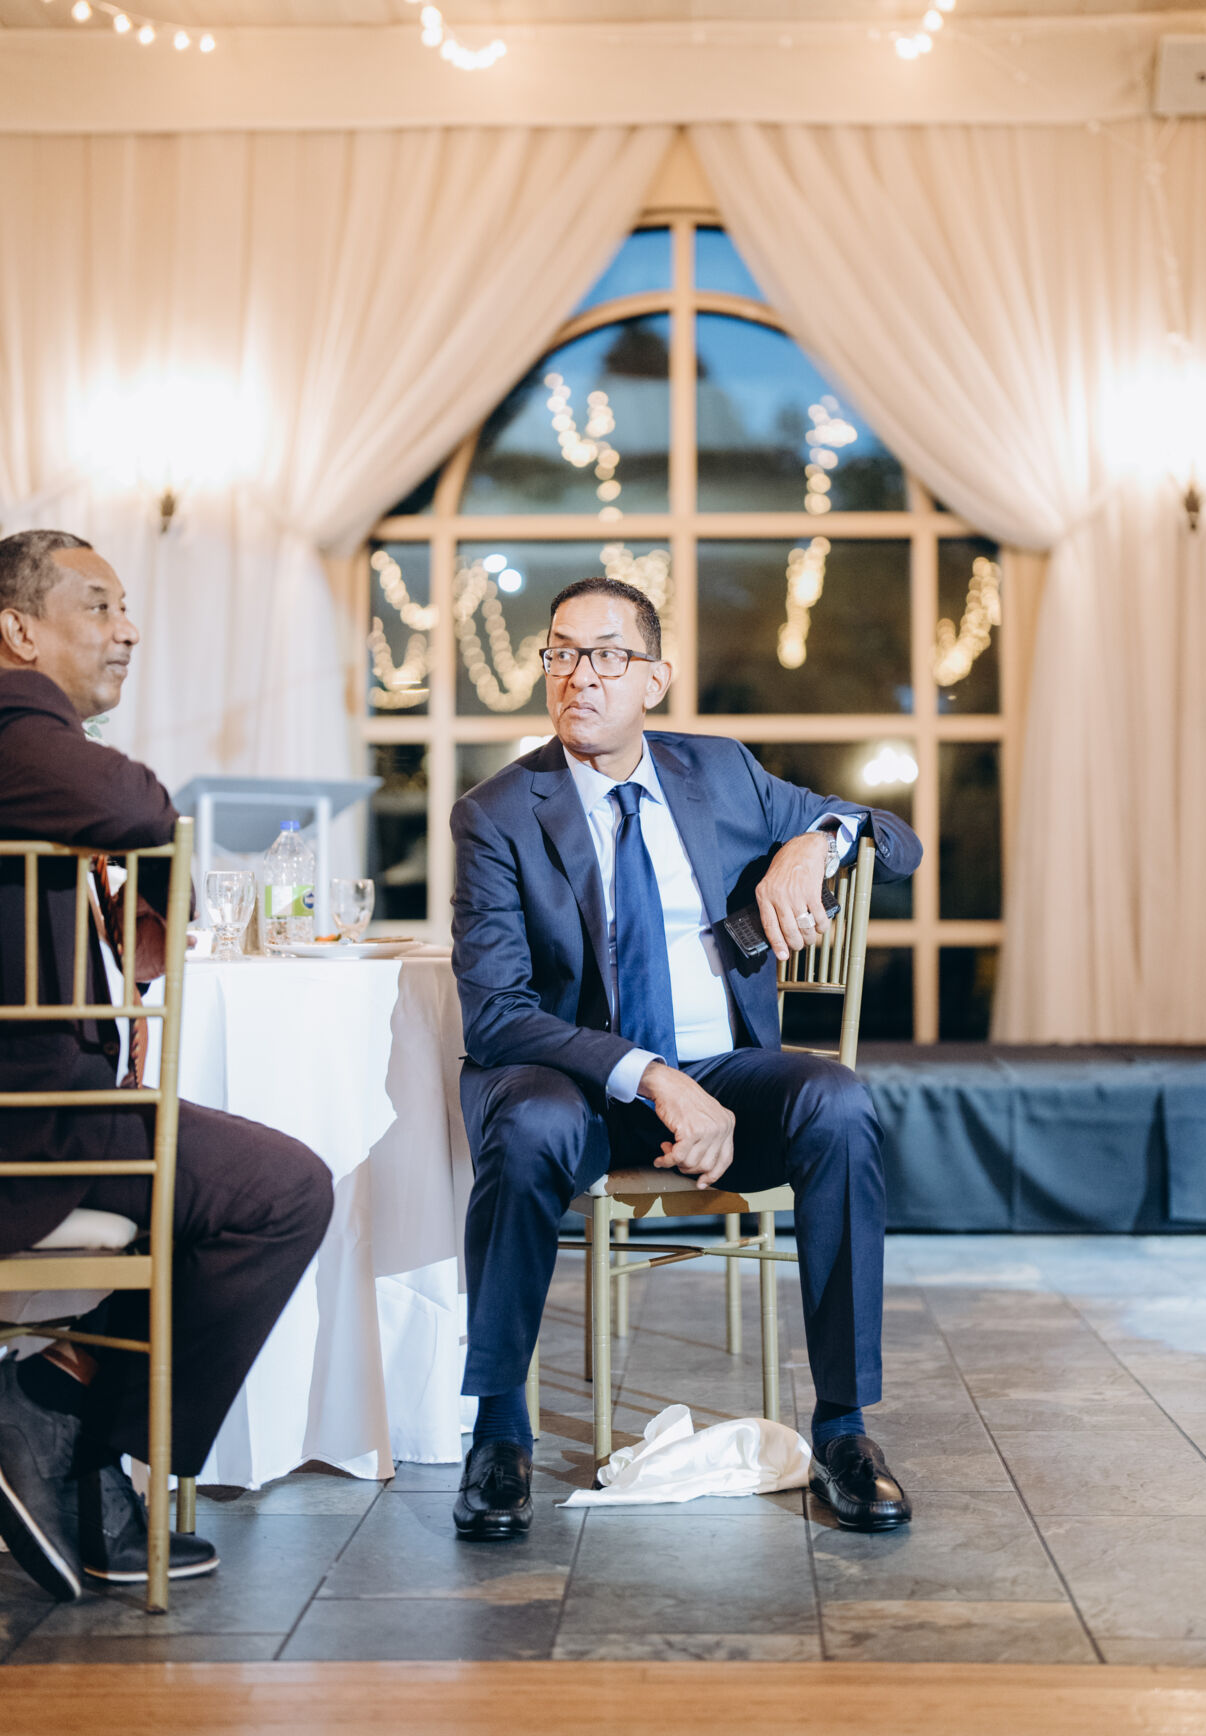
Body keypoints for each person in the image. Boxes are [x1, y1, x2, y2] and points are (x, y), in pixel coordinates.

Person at [450, 575, 922, 1541]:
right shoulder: (497, 814)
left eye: (607, 655)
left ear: (654, 679)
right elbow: (496, 1017)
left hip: (725, 1075)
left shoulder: (721, 773)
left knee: (837, 1101)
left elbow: (897, 842)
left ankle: (842, 1430)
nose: (580, 676)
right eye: (561, 653)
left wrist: (815, 843)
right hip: (579, 1086)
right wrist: (652, 1077)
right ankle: (499, 1433)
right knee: (527, 1121)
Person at [0, 529, 334, 1602]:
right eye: (98, 606)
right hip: (29, 1123)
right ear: (17, 631)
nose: (128, 630)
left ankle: (72, 1426)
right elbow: (140, 808)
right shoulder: (16, 731)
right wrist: (145, 838)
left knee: (218, 1175)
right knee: (283, 1190)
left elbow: (150, 862)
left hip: (50, 1107)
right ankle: (62, 1415)